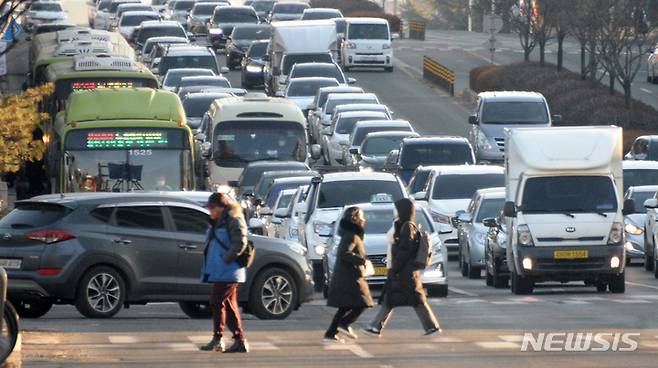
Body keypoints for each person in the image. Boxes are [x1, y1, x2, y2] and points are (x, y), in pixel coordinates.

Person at [363, 198, 441, 337]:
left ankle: (375, 327)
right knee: (396, 298)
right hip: (400, 268)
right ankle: (376, 326)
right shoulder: (400, 225)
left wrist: (396, 267)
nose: (395, 211)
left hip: (404, 270)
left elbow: (405, 250)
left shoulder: (407, 226)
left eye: (397, 208)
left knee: (410, 299)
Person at [200, 192, 250, 353]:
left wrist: (226, 259)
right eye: (209, 208)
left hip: (230, 270)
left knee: (216, 301)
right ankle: (239, 340)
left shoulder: (233, 218)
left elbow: (240, 242)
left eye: (213, 208)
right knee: (228, 305)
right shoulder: (217, 221)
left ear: (222, 207)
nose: (210, 211)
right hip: (221, 270)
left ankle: (218, 337)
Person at [325, 206, 374, 342]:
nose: (364, 219)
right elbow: (344, 253)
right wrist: (361, 260)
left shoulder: (351, 234)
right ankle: (344, 324)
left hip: (347, 275)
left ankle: (331, 333)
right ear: (355, 218)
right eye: (361, 216)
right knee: (362, 303)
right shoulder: (352, 235)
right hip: (350, 277)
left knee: (345, 306)